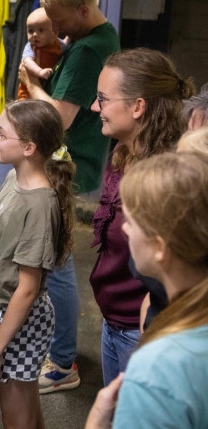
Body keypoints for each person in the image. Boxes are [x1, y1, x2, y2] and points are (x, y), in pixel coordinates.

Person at [18, 0, 120, 394]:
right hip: (78, 158)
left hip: (67, 160)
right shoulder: (101, 35)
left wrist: (27, 80)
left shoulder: (85, 52)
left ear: (83, 9)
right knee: (50, 258)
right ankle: (55, 350)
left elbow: (56, 120)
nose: (55, 30)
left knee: (55, 263)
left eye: (59, 22)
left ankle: (62, 364)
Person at [89, 48, 194, 386]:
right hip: (113, 322)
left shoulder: (168, 179)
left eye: (103, 99)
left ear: (138, 106)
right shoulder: (122, 153)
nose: (95, 108)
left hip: (142, 330)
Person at [0, 99, 76, 428]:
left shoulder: (39, 207)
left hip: (17, 320)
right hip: (1, 309)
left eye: (1, 133)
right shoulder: (14, 179)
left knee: (15, 416)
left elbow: (27, 290)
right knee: (26, 408)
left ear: (29, 147)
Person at [85, 152, 208, 429]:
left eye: (133, 221)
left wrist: (95, 424)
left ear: (161, 247)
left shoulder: (157, 370)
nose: (125, 229)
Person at [16, 8, 66, 100]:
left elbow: (67, 48)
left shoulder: (60, 44)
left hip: (47, 90)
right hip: (28, 93)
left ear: (55, 32)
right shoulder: (31, 46)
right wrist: (39, 71)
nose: (34, 35)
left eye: (41, 30)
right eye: (30, 31)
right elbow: (27, 62)